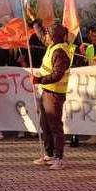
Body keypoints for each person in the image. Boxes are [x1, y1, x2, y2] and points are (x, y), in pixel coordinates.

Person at [30, 22, 72, 170]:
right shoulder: (53, 46)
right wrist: (35, 23)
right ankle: (49, 154)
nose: (45, 36)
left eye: (47, 33)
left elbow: (57, 74)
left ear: (52, 36)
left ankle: (59, 158)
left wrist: (39, 80)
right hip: (47, 91)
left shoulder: (59, 52)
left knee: (55, 127)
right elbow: (41, 36)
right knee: (45, 124)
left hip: (54, 93)